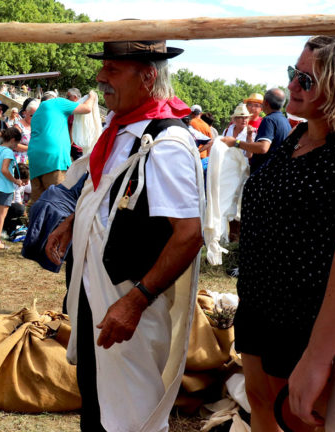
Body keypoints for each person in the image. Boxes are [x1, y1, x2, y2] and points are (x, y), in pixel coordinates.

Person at [46, 40, 203, 431]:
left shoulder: (166, 143)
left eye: (113, 69)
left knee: (130, 413)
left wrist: (136, 301)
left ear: (148, 77)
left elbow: (188, 234)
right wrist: (73, 222)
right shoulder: (121, 129)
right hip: (94, 292)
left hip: (126, 299)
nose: (101, 78)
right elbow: (105, 193)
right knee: (99, 402)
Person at [234, 36, 335, 432]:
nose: (291, 86)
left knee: (297, 421)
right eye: (293, 74)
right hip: (257, 300)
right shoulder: (293, 139)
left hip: (304, 313)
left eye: (306, 79)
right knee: (259, 403)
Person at [27, 88, 97, 203]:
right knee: (57, 201)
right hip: (53, 158)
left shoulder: (36, 114)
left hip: (35, 159)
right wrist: (92, 96)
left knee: (38, 203)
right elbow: (87, 108)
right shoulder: (58, 102)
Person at [222, 88, 291, 174]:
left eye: (257, 105)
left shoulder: (268, 120)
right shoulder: (285, 121)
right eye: (250, 104)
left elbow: (263, 148)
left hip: (264, 173)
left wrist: (236, 143)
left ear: (265, 104)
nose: (252, 108)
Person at [0, 127, 25, 249]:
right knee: (1, 215)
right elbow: (5, 170)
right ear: (13, 140)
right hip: (5, 187)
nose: (16, 146)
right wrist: (15, 180)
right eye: (17, 143)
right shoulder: (8, 152)